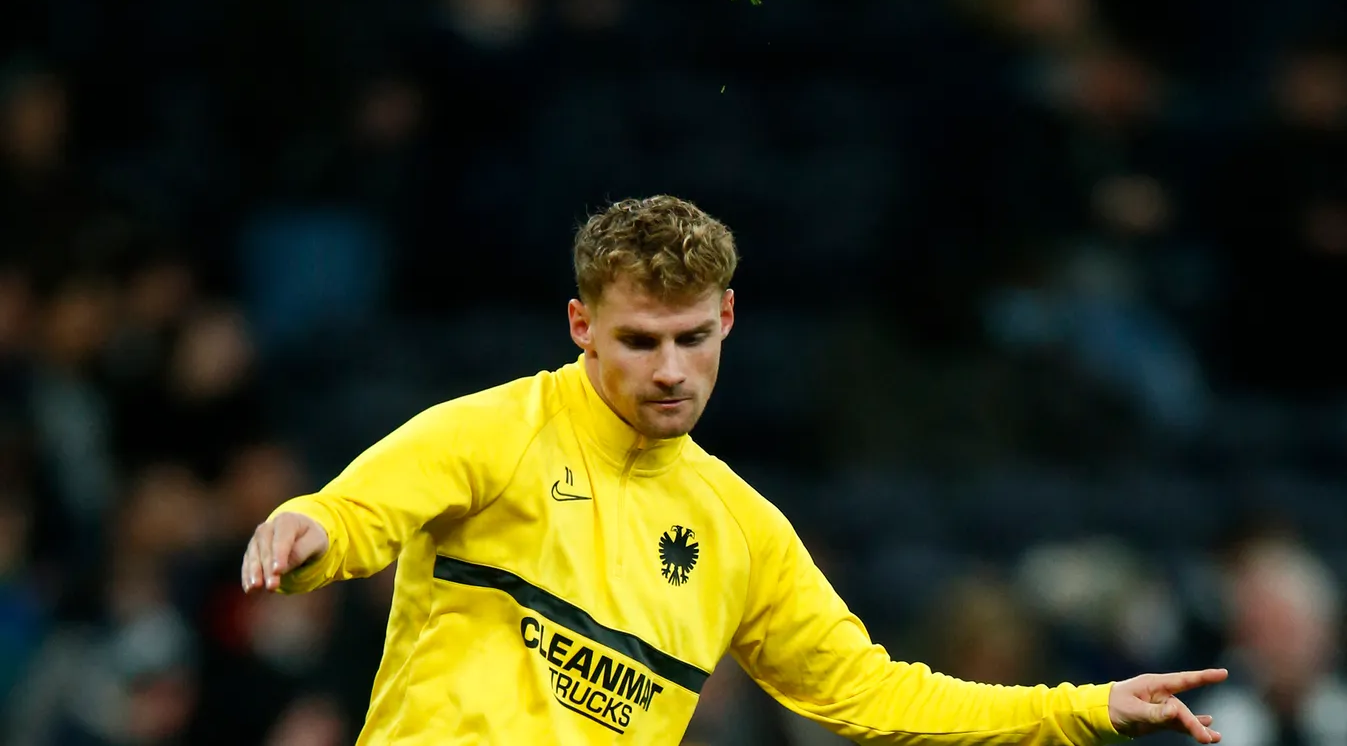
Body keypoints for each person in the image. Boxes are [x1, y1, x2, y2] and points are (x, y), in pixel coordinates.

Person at [241, 195, 1228, 745]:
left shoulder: (741, 528)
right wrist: (307, 529)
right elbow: (362, 508)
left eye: (691, 336)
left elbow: (876, 693)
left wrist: (1083, 705)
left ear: (729, 319)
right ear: (581, 325)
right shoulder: (495, 429)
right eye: (638, 339)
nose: (670, 369)